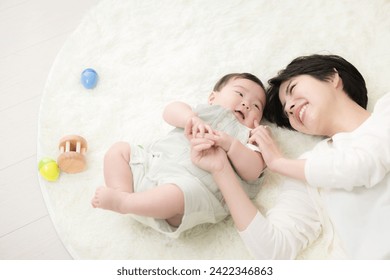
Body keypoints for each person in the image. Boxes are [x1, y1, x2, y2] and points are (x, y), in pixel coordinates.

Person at [191, 54, 389, 259]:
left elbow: (364, 166)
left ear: (332, 78)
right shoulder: (306, 165)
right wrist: (221, 170)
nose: (290, 108)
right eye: (286, 113)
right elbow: (274, 251)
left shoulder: (386, 110)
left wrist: (279, 162)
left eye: (293, 90)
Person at [91, 73, 267, 238]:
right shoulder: (200, 113)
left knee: (178, 194)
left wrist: (231, 144)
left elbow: (253, 171)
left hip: (186, 192)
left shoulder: (249, 137)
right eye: (239, 94)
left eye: (256, 106)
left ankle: (125, 203)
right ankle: (121, 192)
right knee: (119, 150)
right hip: (152, 163)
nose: (246, 104)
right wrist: (189, 118)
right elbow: (169, 110)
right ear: (213, 98)